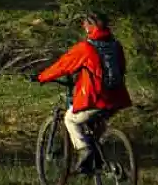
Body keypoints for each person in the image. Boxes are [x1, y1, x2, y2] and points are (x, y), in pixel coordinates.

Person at [33, 12, 132, 175]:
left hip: (96, 99)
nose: (83, 26)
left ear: (91, 26)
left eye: (85, 23)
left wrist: (41, 77)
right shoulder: (116, 46)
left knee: (70, 119)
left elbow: (63, 65)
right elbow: (121, 68)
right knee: (96, 127)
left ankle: (84, 150)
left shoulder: (86, 48)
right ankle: (99, 161)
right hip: (117, 99)